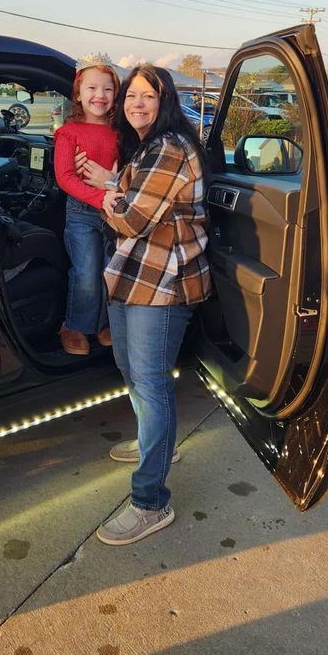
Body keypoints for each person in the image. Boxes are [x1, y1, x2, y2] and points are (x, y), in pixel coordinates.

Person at [77, 64, 211, 544]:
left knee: (152, 385)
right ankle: (158, 447)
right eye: (130, 95)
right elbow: (130, 205)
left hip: (165, 282)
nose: (136, 103)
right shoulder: (146, 148)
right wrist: (115, 188)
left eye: (147, 96)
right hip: (132, 276)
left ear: (165, 102)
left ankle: (151, 502)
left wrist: (108, 192)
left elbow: (130, 220)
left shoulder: (170, 148)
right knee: (130, 370)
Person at [54, 53, 120, 356]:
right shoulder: (68, 133)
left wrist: (113, 184)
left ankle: (103, 323)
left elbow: (129, 171)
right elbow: (65, 178)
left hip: (114, 214)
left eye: (107, 89)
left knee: (110, 271)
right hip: (82, 213)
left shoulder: (121, 132)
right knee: (86, 273)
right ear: (78, 95)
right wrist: (100, 196)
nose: (99, 95)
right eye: (91, 88)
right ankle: (75, 325)